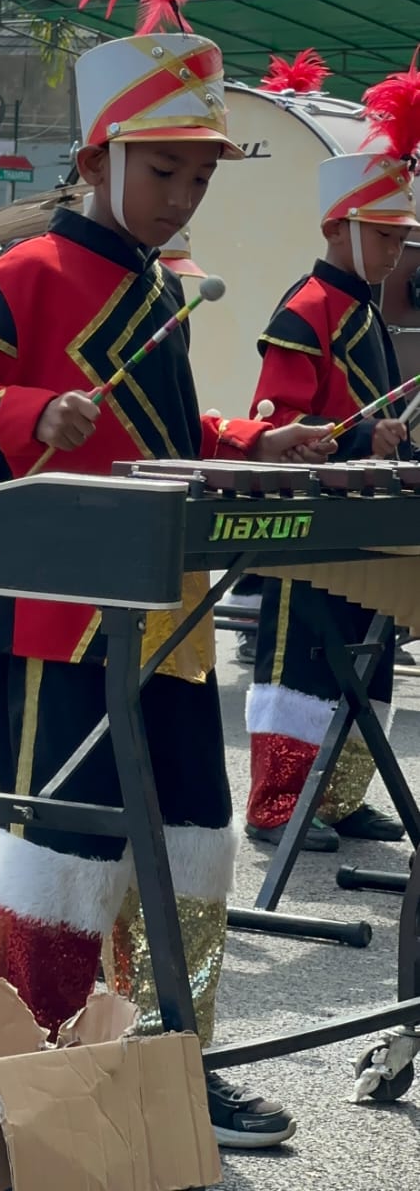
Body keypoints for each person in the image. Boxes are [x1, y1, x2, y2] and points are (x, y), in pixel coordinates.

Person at [0, 0, 337, 1150]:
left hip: (172, 609)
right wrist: (28, 416)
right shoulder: (28, 276)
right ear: (99, 158)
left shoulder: (155, 290)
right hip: (59, 608)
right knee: (64, 847)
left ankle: (170, 1058)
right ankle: (31, 1072)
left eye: (201, 178)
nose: (187, 196)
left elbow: (173, 435)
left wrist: (259, 448)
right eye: (167, 172)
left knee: (190, 836)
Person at [244, 59, 420, 851]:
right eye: (384, 238)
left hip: (359, 512)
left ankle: (341, 796)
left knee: (366, 657)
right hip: (307, 514)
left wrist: (389, 441)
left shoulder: (369, 314)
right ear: (341, 228)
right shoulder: (308, 307)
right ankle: (277, 804)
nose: (394, 254)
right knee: (301, 662)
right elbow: (276, 415)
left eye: (398, 240)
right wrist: (357, 436)